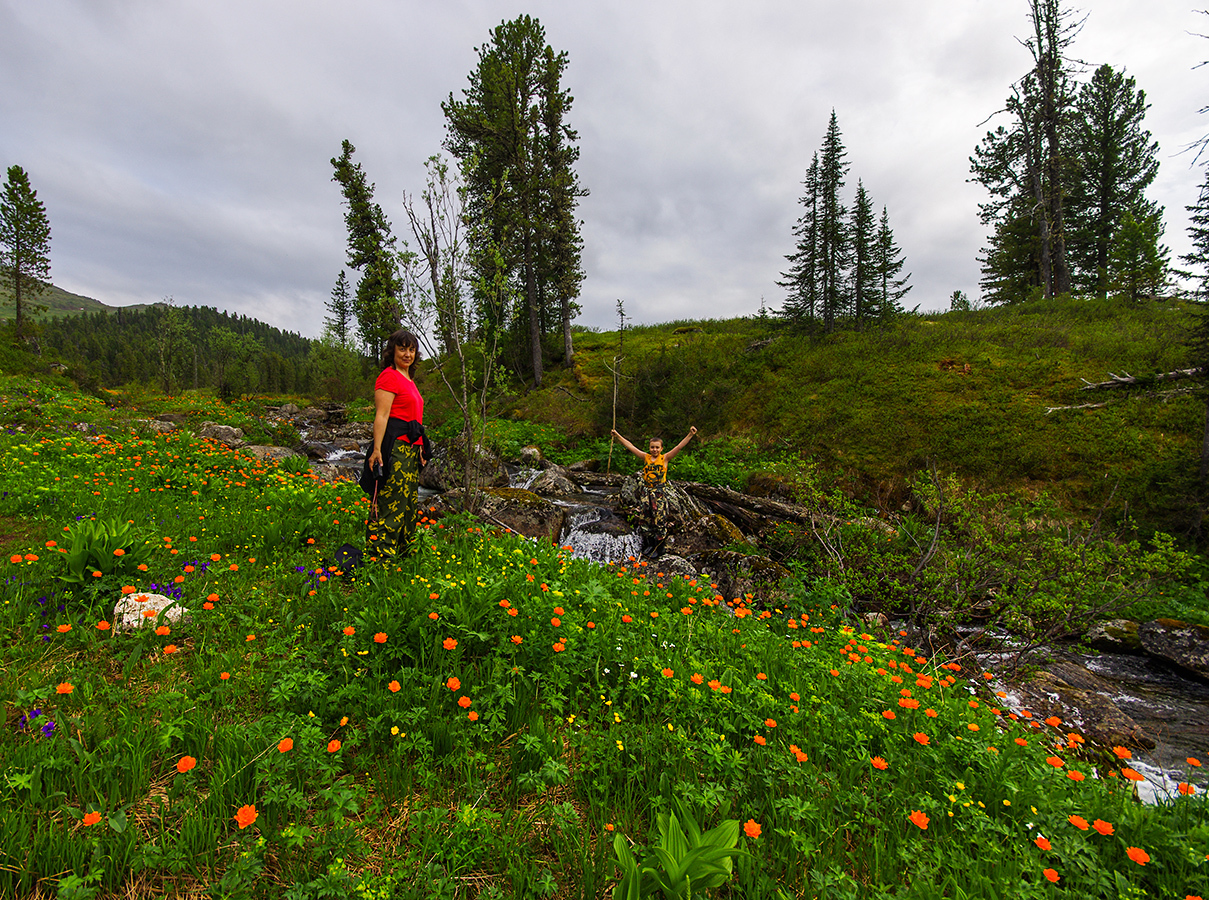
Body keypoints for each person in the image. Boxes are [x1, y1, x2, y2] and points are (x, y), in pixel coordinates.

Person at [364, 330, 432, 559]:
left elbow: (414, 418)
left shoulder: (408, 379)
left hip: (411, 450)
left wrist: (421, 447)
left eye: (411, 349)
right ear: (392, 350)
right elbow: (382, 416)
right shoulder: (389, 376)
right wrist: (376, 451)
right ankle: (380, 556)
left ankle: (403, 553)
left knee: (409, 502)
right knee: (392, 500)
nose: (407, 354)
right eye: (402, 348)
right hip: (395, 449)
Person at [611, 425, 697, 555]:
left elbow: (679, 447)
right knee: (646, 518)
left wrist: (690, 435)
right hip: (646, 492)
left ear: (661, 448)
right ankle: (649, 544)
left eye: (657, 447)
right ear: (649, 448)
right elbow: (631, 446)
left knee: (659, 519)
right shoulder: (645, 457)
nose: (654, 449)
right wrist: (617, 436)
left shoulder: (665, 458)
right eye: (652, 447)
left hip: (659, 493)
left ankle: (659, 546)